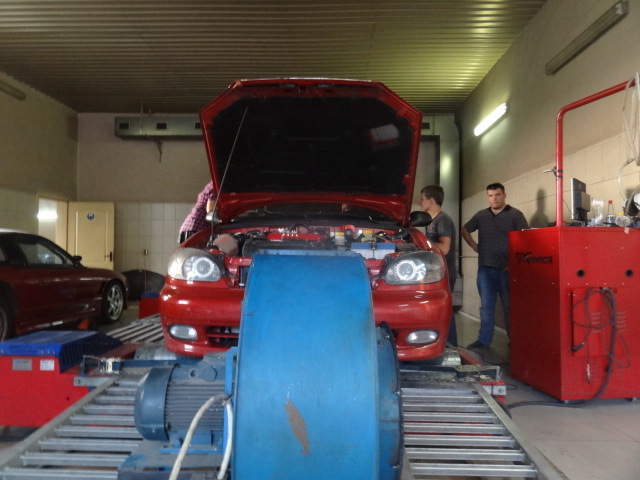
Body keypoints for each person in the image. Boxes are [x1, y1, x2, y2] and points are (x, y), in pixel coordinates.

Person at [461, 182, 528, 349]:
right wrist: (474, 246)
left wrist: (514, 264)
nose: (494, 198)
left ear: (504, 195)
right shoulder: (481, 215)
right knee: (486, 307)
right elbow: (465, 229)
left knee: (509, 307)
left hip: (506, 269)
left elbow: (525, 241)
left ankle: (515, 340)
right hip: (485, 268)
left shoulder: (515, 215)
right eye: (491, 195)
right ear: (487, 197)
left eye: (497, 195)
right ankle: (484, 340)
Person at [420, 185, 458, 346]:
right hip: (438, 274)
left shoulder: (442, 220)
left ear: (431, 200)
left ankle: (451, 345)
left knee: (445, 310)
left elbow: (445, 248)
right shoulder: (431, 221)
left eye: (422, 199)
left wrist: (423, 244)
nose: (420, 202)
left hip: (446, 273)